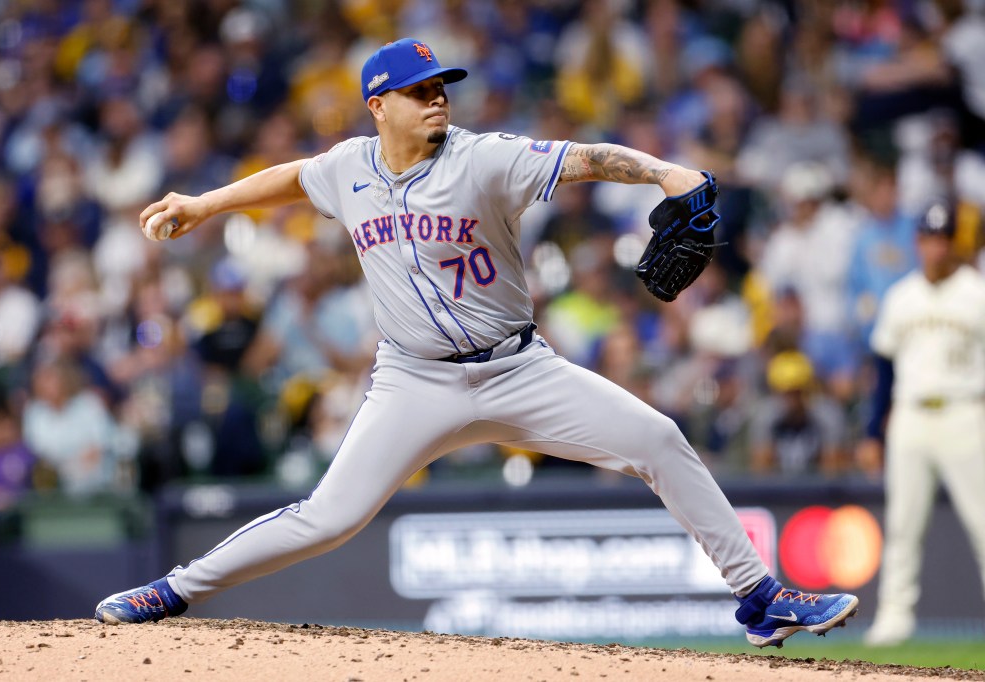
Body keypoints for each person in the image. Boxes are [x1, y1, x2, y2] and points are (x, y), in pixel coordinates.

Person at [94, 37, 858, 648]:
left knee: (658, 438)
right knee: (331, 516)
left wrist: (664, 171)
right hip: (413, 383)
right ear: (377, 107)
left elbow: (585, 158)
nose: (438, 99)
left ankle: (760, 597)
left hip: (520, 369)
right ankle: (173, 589)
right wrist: (204, 203)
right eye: (421, 91)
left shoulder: (482, 158)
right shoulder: (348, 168)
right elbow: (295, 177)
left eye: (442, 87)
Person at [859, 201, 985, 646]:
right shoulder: (901, 296)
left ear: (954, 242)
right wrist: (873, 431)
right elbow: (885, 370)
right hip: (910, 414)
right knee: (902, 524)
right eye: (928, 238)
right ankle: (894, 618)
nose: (935, 247)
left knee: (982, 520)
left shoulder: (976, 291)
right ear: (918, 242)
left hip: (966, 411)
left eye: (943, 238)